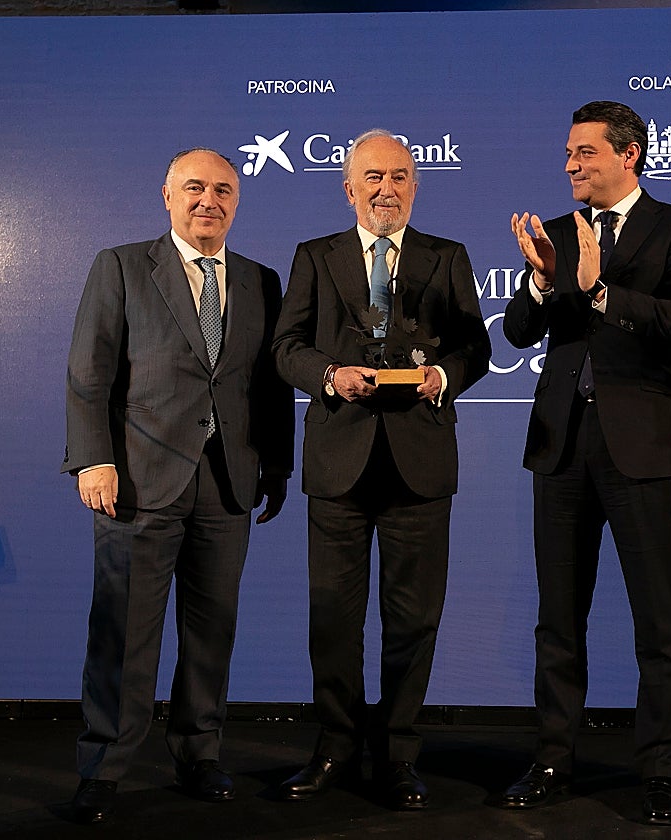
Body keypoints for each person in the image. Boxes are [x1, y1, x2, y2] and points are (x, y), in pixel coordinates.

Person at [63, 148, 294, 823]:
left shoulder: (261, 279)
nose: (208, 201)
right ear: (166, 195)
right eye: (194, 188)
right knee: (124, 632)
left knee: (211, 632)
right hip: (136, 481)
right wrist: (92, 459)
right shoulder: (122, 266)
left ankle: (199, 754)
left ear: (237, 201)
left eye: (223, 190)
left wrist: (274, 465)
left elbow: (270, 387)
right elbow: (88, 373)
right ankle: (104, 766)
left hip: (228, 487)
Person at [501, 100, 671, 825]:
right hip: (561, 443)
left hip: (643, 445)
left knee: (659, 618)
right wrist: (537, 282)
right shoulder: (556, 233)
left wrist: (599, 291)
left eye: (585, 153)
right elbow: (521, 332)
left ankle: (660, 771)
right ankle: (554, 757)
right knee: (558, 617)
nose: (570, 165)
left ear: (628, 155)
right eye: (567, 153)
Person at [272, 129, 490, 810]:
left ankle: (399, 756)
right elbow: (286, 348)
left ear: (415, 186)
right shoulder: (315, 256)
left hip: (420, 463)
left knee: (412, 620)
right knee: (333, 618)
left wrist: (440, 375)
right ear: (349, 188)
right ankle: (335, 749)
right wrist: (332, 375)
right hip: (338, 461)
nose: (386, 188)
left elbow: (474, 348)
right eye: (373, 177)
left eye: (399, 176)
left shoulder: (446, 256)